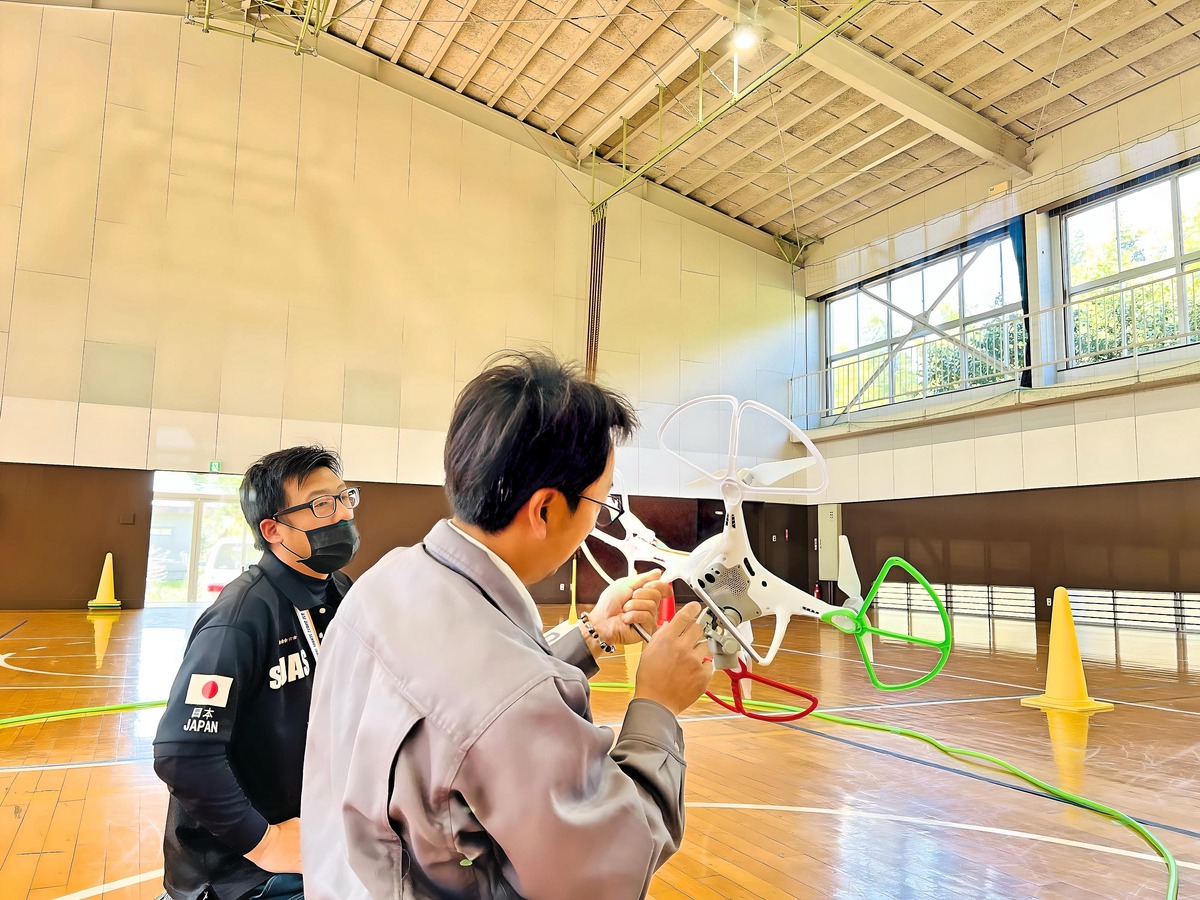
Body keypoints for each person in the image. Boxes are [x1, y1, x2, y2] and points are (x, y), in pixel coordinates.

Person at [302, 352, 714, 899]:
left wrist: (590, 633)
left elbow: (460, 719)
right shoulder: (508, 695)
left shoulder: (383, 583)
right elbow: (608, 865)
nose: (600, 515)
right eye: (601, 499)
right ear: (545, 509)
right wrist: (657, 705)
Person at [153, 446, 362, 900]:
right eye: (322, 504)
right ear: (273, 530)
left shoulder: (340, 592)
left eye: (346, 498)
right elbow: (182, 754)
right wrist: (263, 843)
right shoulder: (241, 616)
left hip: (315, 836)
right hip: (241, 871)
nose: (343, 514)